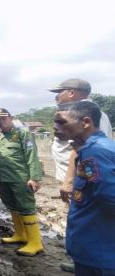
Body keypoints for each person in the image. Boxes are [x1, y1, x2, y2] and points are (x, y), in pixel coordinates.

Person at [48, 78, 113, 272]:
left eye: (62, 123)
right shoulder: (87, 150)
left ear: (85, 122)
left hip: (99, 254)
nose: (55, 127)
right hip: (90, 247)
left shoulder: (96, 153)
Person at [0, 108, 43, 256]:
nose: (0, 121)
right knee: (12, 206)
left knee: (26, 207)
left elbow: (32, 156)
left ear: (11, 117)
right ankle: (21, 235)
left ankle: (35, 243)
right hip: (4, 179)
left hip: (21, 179)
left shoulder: (23, 134)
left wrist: (35, 178)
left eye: (3, 118)